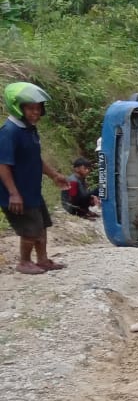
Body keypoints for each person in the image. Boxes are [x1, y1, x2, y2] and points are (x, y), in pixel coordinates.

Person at [0, 82, 70, 274]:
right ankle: (24, 262)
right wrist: (13, 194)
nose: (36, 112)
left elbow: (35, 159)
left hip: (32, 191)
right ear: (18, 108)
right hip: (17, 194)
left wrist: (54, 175)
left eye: (38, 108)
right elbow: (3, 166)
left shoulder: (29, 130)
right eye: (31, 108)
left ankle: (42, 260)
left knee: (42, 226)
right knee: (30, 231)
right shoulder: (9, 133)